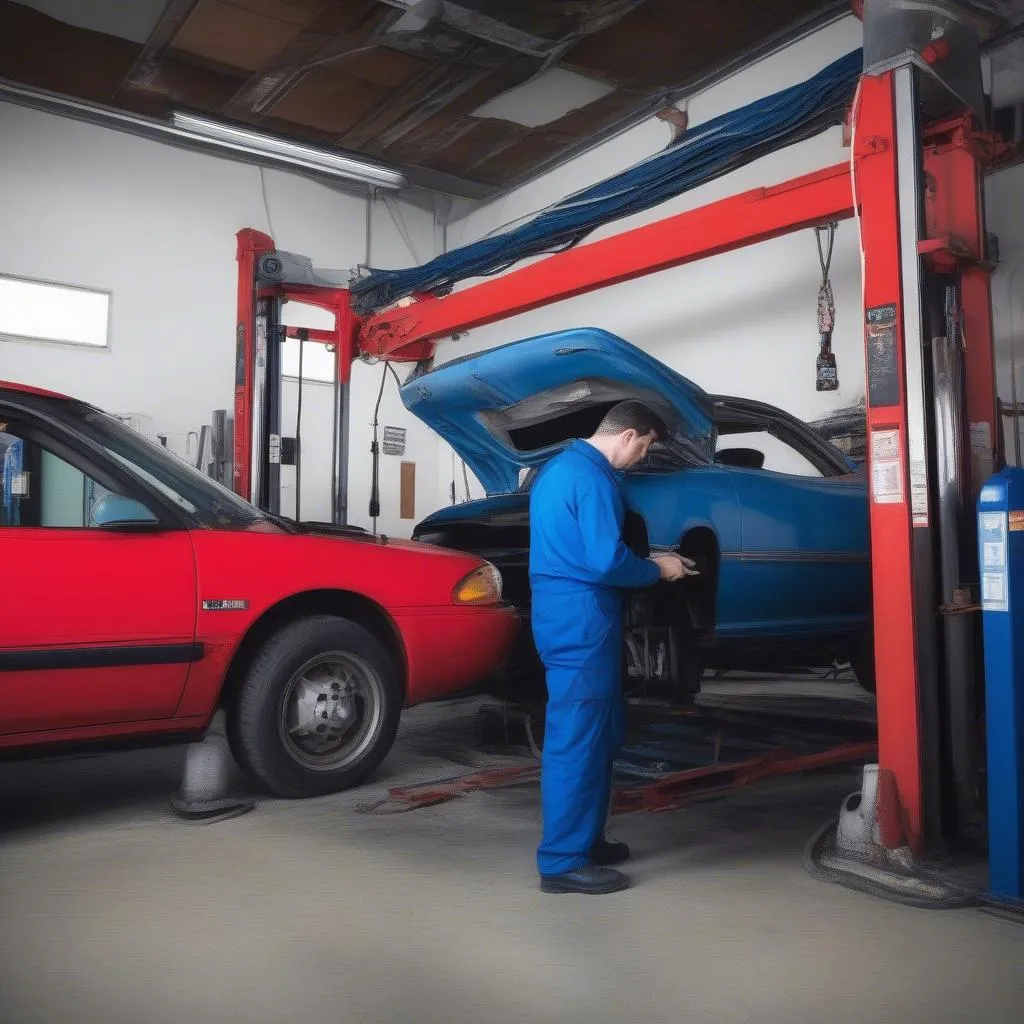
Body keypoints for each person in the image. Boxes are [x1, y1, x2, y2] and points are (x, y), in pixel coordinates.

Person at [529, 400, 694, 894]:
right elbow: (604, 561)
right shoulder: (595, 479)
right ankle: (561, 863)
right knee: (577, 739)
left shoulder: (557, 470)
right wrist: (657, 569)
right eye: (643, 448)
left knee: (601, 733)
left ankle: (586, 840)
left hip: (563, 612)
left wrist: (642, 559)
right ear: (627, 436)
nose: (641, 459)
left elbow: (588, 550)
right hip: (583, 617)